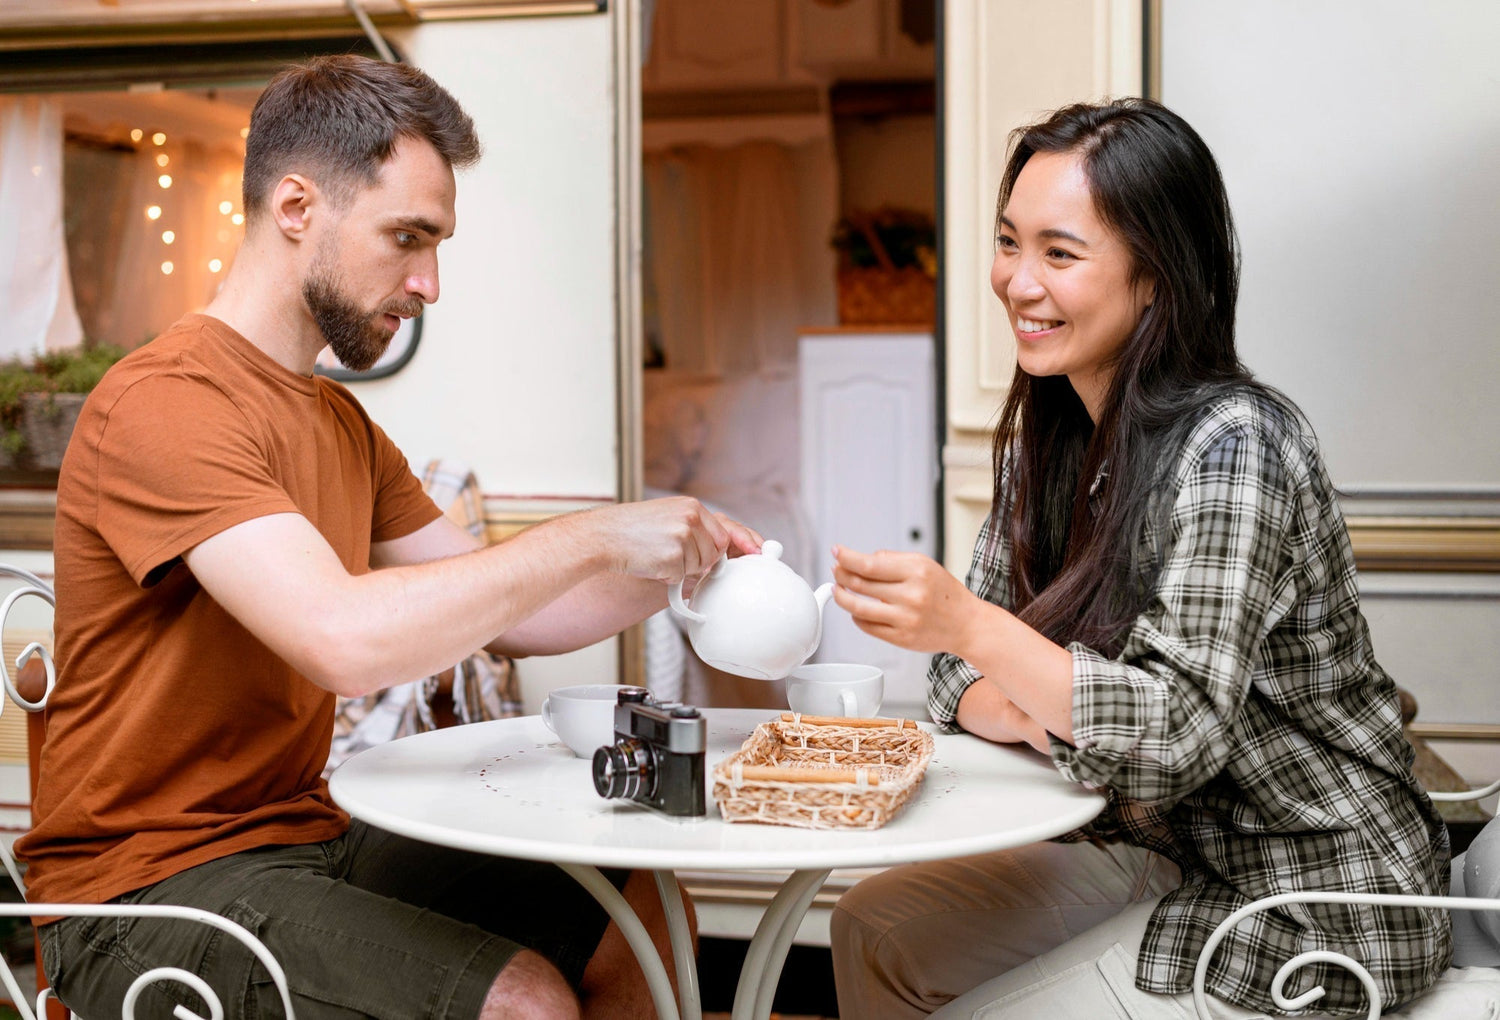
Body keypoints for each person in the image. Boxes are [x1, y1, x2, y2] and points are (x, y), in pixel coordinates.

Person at [17, 55, 760, 1020]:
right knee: (521, 1001)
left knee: (641, 905)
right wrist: (592, 536)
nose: (430, 283)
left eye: (437, 243)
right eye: (408, 238)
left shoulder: (339, 425)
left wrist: (683, 568)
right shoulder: (166, 402)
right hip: (140, 893)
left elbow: (515, 611)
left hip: (301, 839)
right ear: (295, 208)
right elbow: (344, 638)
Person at [826, 98, 1451, 1018]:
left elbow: (1172, 738)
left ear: (1155, 277)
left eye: (1060, 253)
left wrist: (984, 635)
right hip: (1173, 854)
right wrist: (1044, 699)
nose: (1016, 282)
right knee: (873, 926)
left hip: (1313, 897)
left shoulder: (1239, 444)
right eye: (1010, 242)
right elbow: (953, 683)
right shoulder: (1055, 435)